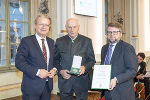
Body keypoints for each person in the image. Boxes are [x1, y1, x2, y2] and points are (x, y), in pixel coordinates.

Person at [15, 14, 56, 100]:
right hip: (31, 88)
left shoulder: (51, 42)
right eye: (41, 24)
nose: (44, 27)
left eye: (47, 25)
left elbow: (53, 61)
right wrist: (37, 72)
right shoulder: (26, 41)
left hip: (47, 87)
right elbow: (19, 62)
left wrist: (54, 69)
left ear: (49, 28)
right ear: (35, 25)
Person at [54, 18, 95, 100]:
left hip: (81, 81)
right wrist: (61, 71)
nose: (72, 30)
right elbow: (55, 60)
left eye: (74, 27)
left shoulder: (87, 41)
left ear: (78, 27)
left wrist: (85, 67)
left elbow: (91, 60)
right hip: (65, 81)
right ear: (66, 27)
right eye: (69, 27)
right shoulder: (59, 41)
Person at [101, 22, 138, 100]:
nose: (112, 34)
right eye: (109, 32)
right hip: (107, 92)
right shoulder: (104, 48)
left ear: (120, 34)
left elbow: (133, 70)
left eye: (115, 32)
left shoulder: (127, 48)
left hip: (123, 92)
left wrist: (116, 79)